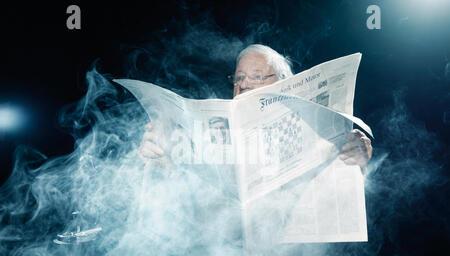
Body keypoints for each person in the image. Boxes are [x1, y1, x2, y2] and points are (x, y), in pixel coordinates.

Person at [140, 44, 372, 168]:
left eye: (257, 76)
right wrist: (161, 162)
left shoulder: (309, 133)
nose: (243, 84)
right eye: (238, 77)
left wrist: (355, 158)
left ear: (283, 84)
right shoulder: (208, 136)